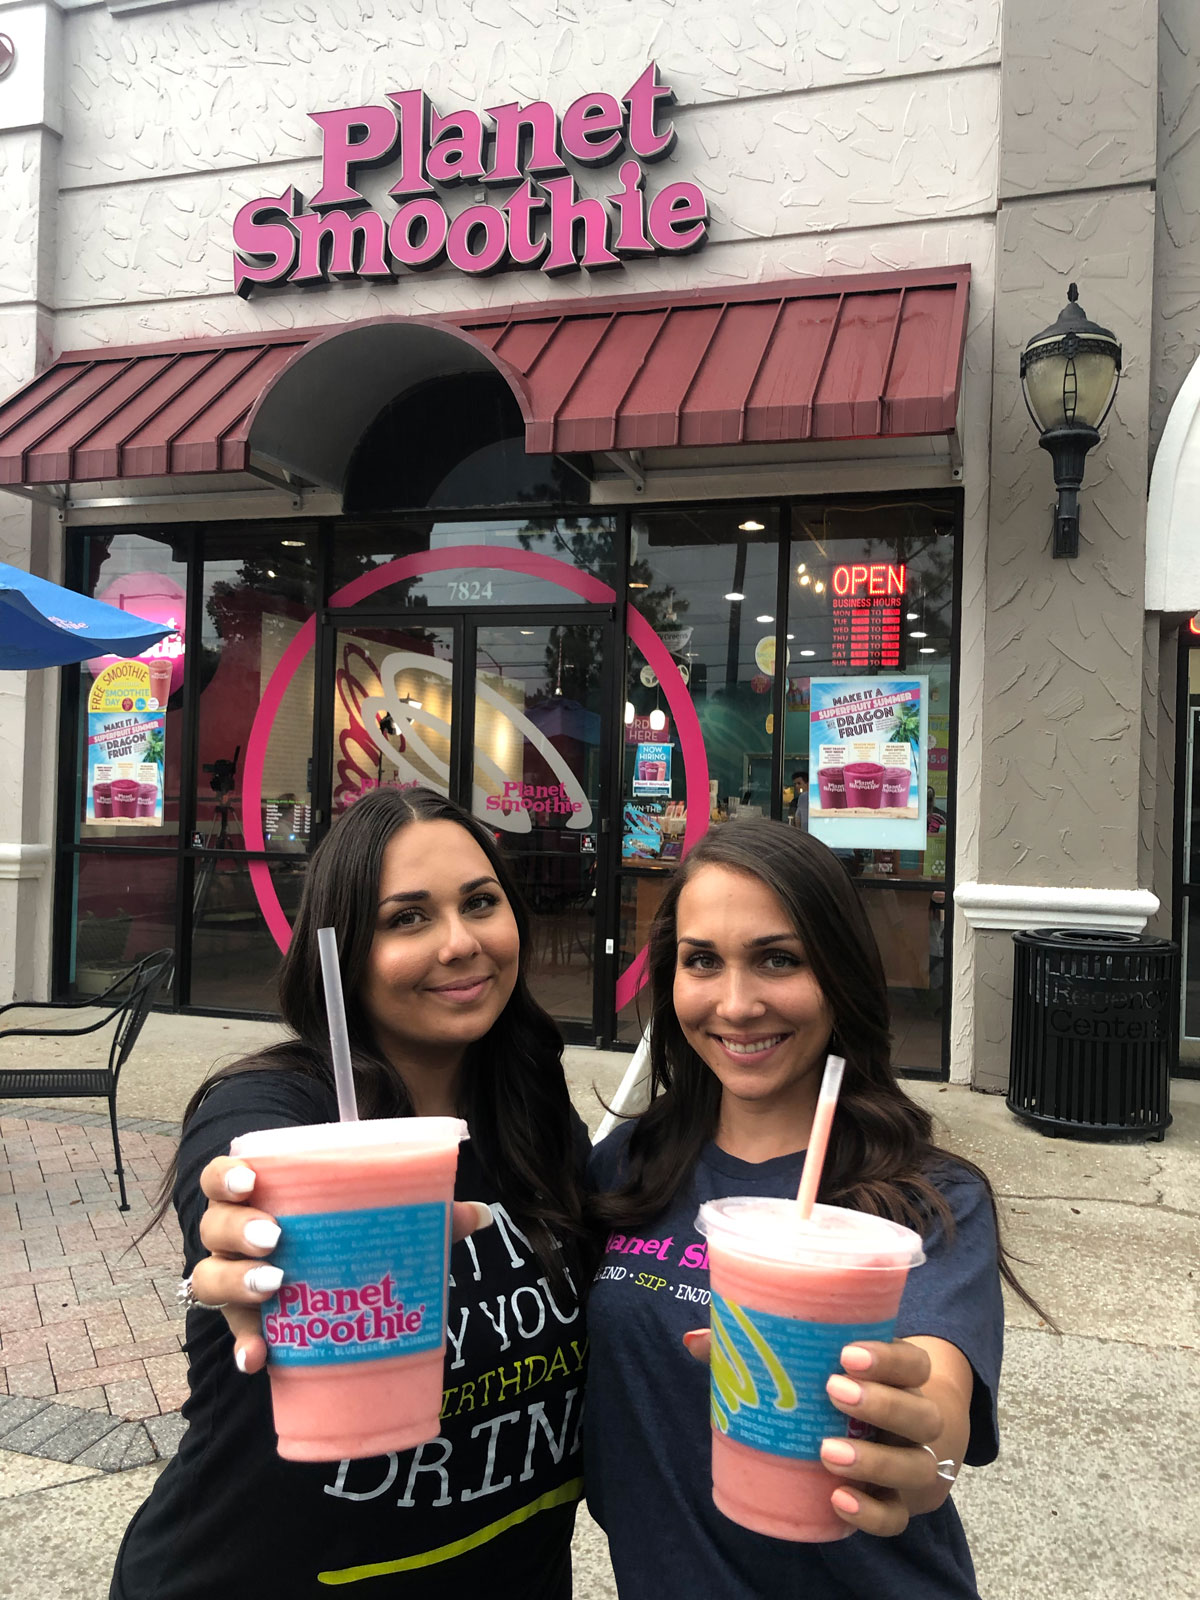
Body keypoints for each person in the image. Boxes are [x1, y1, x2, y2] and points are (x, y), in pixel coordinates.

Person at [111, 787, 592, 1600]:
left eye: (481, 903)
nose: (460, 943)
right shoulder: (273, 1106)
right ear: (346, 948)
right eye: (407, 918)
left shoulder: (540, 1125)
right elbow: (241, 1178)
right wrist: (254, 1235)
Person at [585, 817, 1046, 1600]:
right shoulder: (627, 1168)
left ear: (838, 975)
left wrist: (914, 1453)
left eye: (778, 959)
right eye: (703, 961)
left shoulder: (927, 1203)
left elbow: (938, 1412)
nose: (737, 1003)